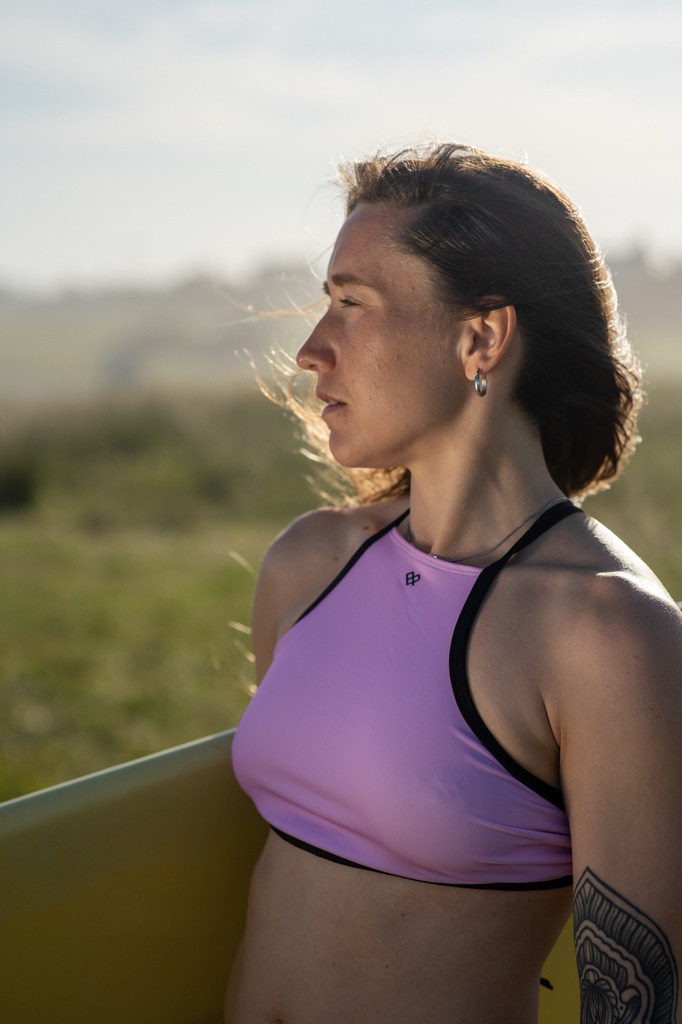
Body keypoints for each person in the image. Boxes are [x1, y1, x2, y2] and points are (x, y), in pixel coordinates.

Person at [227, 142, 682, 1024]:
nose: (311, 353)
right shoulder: (308, 566)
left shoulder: (607, 635)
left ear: (481, 336)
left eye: (352, 306)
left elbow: (640, 1004)